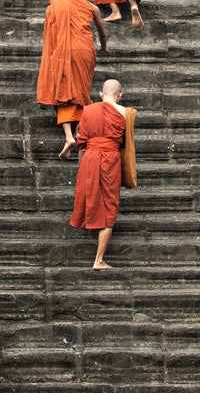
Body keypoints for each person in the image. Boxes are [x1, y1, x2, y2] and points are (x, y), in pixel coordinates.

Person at [36, 0, 109, 160]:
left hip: (61, 50)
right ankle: (78, 131)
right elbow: (102, 32)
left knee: (63, 88)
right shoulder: (93, 8)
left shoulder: (55, 5)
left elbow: (51, 31)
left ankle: (69, 136)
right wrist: (103, 47)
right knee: (80, 89)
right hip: (84, 51)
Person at [69, 78, 136, 270]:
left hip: (89, 158)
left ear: (100, 94)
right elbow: (127, 145)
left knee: (90, 198)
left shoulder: (88, 110)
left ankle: (97, 246)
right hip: (110, 159)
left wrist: (82, 167)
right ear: (120, 95)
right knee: (109, 205)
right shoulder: (126, 113)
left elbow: (81, 141)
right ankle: (98, 260)